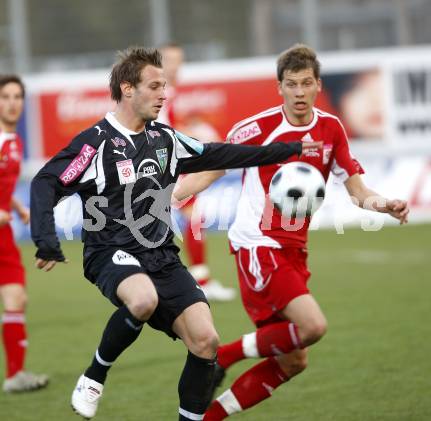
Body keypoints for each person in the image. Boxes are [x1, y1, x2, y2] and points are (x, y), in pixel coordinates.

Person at [29, 46, 320, 420]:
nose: (164, 93)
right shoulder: (95, 143)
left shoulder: (165, 138)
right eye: (155, 86)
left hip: (161, 255)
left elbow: (221, 154)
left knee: (206, 341)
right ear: (127, 89)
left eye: (165, 86)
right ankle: (94, 376)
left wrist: (289, 148)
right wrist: (45, 240)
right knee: (142, 299)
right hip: (109, 251)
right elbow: (46, 183)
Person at [173, 44, 409, 419]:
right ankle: (225, 356)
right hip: (258, 244)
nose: (299, 92)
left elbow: (358, 192)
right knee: (312, 325)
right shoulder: (257, 129)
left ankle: (206, 417)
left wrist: (386, 205)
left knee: (294, 361)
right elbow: (211, 170)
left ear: (317, 85)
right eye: (291, 84)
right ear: (279, 87)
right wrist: (167, 198)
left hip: (295, 251)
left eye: (306, 84)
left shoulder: (331, 130)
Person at [159, 43, 236, 301]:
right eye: (169, 60)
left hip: (163, 163)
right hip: (162, 165)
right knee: (192, 217)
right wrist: (198, 135)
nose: (175, 65)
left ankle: (191, 280)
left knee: (190, 217)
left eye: (178, 60)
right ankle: (199, 281)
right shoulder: (160, 90)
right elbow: (164, 130)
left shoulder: (167, 90)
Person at [0, 75, 49, 393]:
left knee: (16, 297)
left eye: (18, 96)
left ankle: (15, 375)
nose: (13, 103)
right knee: (15, 297)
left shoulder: (13, 140)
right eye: (5, 97)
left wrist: (15, 206)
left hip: (3, 235)